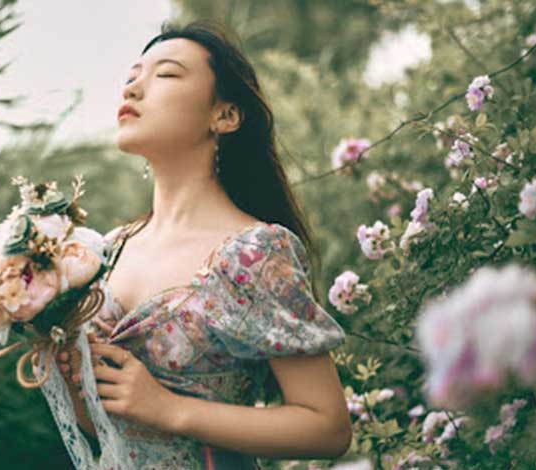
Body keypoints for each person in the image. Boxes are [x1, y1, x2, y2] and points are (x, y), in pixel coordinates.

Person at [50, 19, 352, 469]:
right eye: (132, 77)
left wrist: (172, 410)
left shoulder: (253, 253)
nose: (132, 90)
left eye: (166, 74)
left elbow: (327, 428)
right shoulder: (105, 253)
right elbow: (109, 426)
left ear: (225, 115)